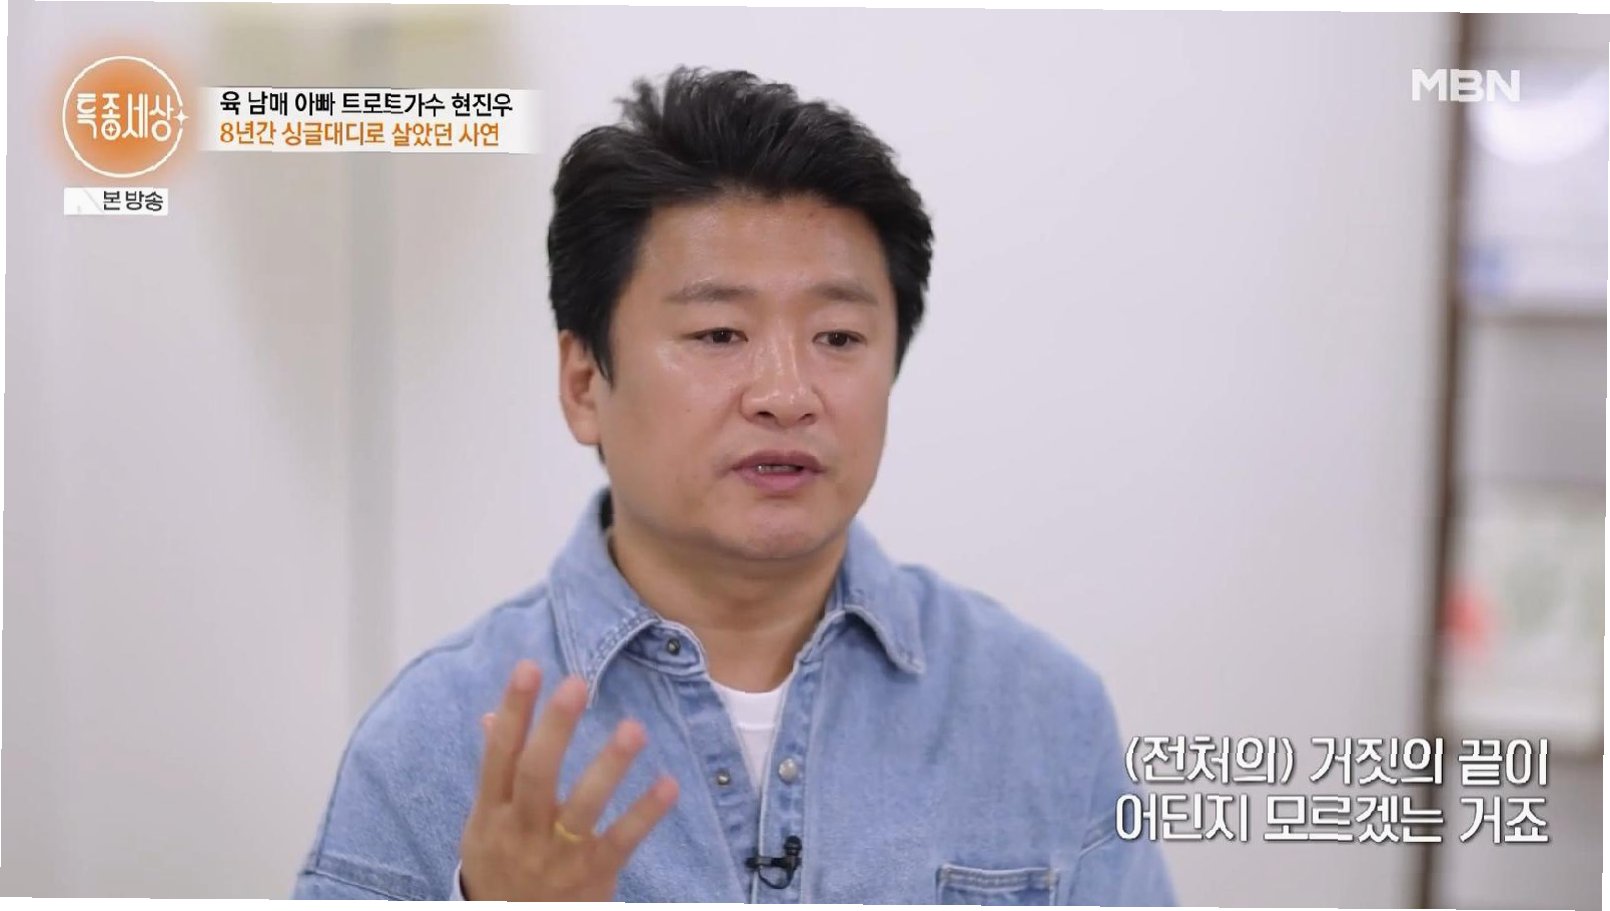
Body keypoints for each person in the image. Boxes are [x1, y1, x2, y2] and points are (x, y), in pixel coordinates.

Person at [291, 66, 1175, 904]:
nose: (787, 394)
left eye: (838, 337)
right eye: (719, 334)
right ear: (584, 383)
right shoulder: (442, 736)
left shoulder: (1039, 712)